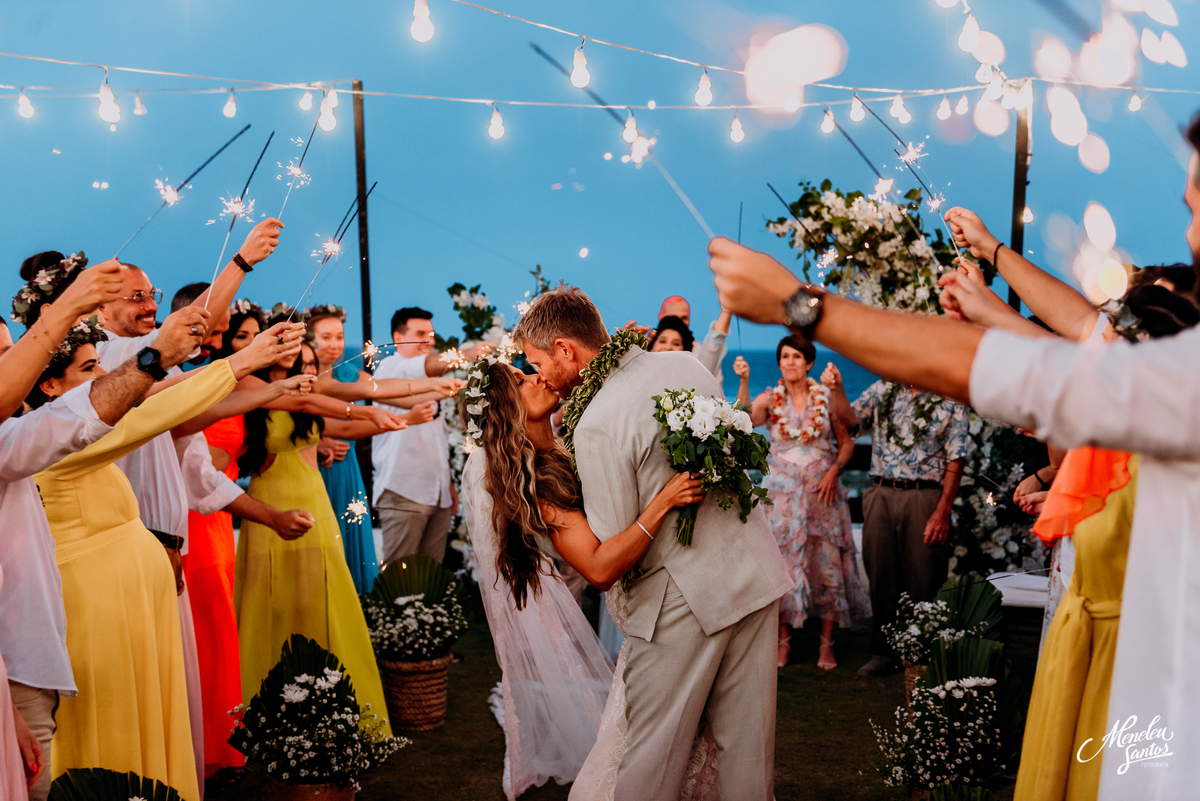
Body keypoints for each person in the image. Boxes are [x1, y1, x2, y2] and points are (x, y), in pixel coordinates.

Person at [705, 110, 1200, 799]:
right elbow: (1078, 340)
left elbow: (1016, 363)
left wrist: (801, 303)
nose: (1190, 232)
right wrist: (993, 261)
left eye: (1197, 208)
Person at [514, 286, 793, 800]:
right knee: (748, 755)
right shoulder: (686, 367)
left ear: (566, 349)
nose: (540, 375)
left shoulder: (595, 423)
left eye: (537, 361)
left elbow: (612, 543)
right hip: (752, 569)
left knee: (652, 758)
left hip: (679, 603)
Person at [32, 292, 296, 800]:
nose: (102, 381)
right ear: (48, 384)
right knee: (111, 722)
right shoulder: (55, 440)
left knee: (147, 713)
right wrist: (241, 362)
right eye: (89, 369)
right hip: (95, 609)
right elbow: (155, 412)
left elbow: (160, 405)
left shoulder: (75, 429)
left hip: (131, 601)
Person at [460, 358, 716, 800]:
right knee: (651, 739)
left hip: (669, 583)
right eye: (522, 381)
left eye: (531, 368)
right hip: (637, 596)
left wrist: (615, 358)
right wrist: (662, 503)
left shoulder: (566, 441)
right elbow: (597, 570)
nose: (539, 376)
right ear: (508, 411)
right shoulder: (540, 483)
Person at [1, 254, 128, 801]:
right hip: (15, 658)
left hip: (26, 658)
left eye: (11, 353)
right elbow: (78, 425)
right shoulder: (17, 439)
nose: (15, 366)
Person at [234, 336, 400, 737]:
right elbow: (317, 406)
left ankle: (331, 700)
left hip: (315, 500)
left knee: (324, 599)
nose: (291, 354)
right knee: (268, 603)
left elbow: (338, 417)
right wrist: (370, 412)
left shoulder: (304, 388)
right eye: (281, 342)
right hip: (268, 503)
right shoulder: (247, 386)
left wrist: (401, 412)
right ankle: (263, 708)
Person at [823, 354, 968, 676]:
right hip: (881, 493)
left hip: (925, 497)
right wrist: (837, 389)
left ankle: (922, 656)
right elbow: (849, 420)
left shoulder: (949, 398)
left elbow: (956, 459)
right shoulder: (882, 390)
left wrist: (943, 510)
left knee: (925, 577)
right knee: (881, 575)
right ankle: (884, 652)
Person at [305, 304, 459, 591]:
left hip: (346, 469)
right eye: (326, 337)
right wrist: (317, 439)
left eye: (339, 336)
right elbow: (348, 423)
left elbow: (385, 390)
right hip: (312, 471)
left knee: (352, 547)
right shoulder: (305, 382)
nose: (335, 344)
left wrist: (441, 386)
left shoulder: (352, 376)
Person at [745, 335, 869, 670]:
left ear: (809, 363)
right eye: (784, 356)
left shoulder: (825, 398)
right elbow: (748, 418)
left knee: (825, 564)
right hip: (782, 499)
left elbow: (848, 440)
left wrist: (834, 471)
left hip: (821, 494)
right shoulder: (769, 398)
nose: (789, 362)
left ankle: (825, 647)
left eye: (797, 357)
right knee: (783, 565)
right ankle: (783, 644)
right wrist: (743, 381)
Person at [372, 307, 490, 566]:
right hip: (402, 489)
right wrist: (467, 355)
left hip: (437, 493)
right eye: (421, 333)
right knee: (399, 579)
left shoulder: (436, 381)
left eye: (432, 334)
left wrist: (446, 484)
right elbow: (428, 363)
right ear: (398, 338)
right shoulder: (391, 368)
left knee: (431, 577)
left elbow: (437, 438)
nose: (430, 340)